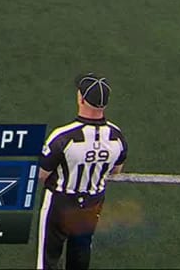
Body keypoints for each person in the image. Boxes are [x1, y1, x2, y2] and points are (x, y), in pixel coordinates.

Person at [36, 73, 127, 270]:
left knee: (48, 259)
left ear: (81, 99)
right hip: (92, 203)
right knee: (80, 254)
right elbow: (117, 170)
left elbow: (41, 174)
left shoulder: (63, 137)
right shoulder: (116, 136)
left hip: (60, 203)